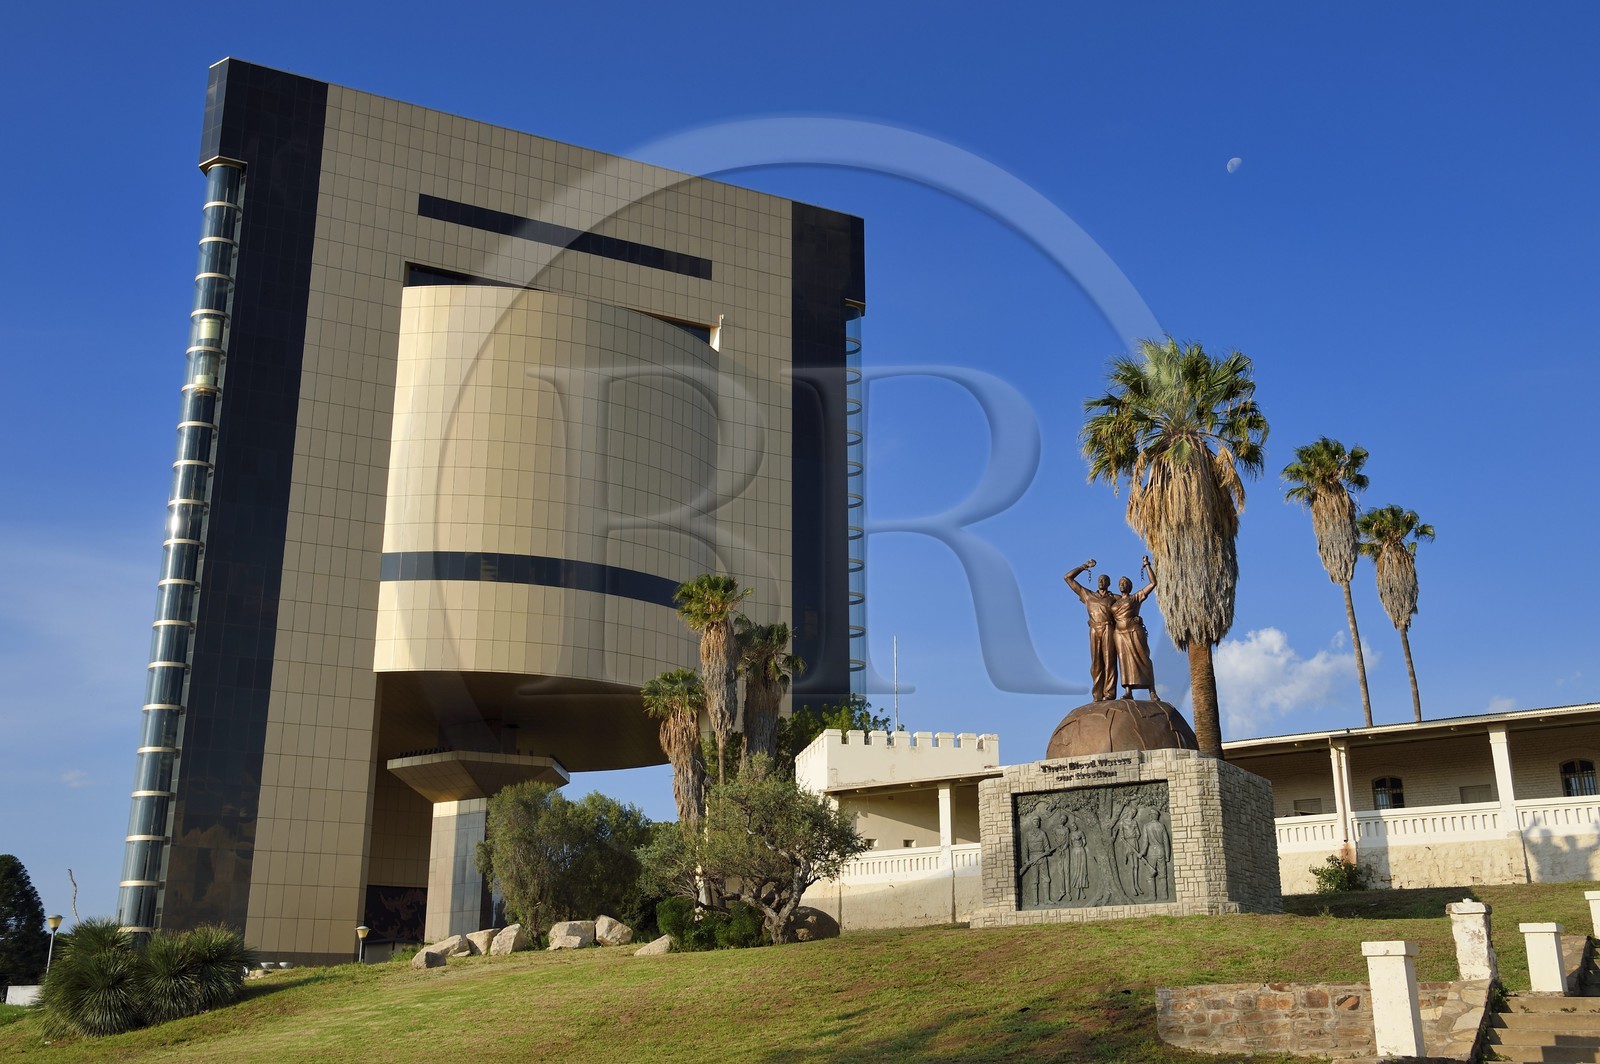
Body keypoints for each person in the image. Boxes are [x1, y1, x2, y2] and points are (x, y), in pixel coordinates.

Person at [1064, 558, 1118, 702]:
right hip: (1094, 629)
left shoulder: (1114, 598)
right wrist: (1084, 566)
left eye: (1104, 580)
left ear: (1108, 583)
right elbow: (1067, 577)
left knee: (1110, 661)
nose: (1101, 581)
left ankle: (1109, 694)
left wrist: (1135, 620)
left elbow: (1129, 604)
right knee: (1096, 663)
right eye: (1099, 579)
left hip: (1108, 627)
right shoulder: (1088, 595)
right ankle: (1097, 695)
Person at [1111, 556, 1158, 699]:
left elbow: (1153, 583)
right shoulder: (1114, 601)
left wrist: (1147, 564)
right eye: (1120, 583)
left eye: (1125, 583)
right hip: (1119, 634)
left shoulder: (1135, 597)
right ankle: (1128, 691)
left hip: (1134, 631)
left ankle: (1152, 690)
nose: (1122, 585)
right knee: (1124, 661)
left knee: (1143, 658)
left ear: (1130, 586)